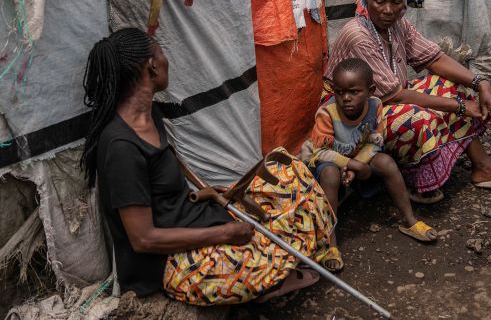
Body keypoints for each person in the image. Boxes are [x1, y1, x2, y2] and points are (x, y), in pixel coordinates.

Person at [81, 28, 335, 305]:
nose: (167, 60)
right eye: (162, 54)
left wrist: (204, 193)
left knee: (291, 173)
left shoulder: (150, 115)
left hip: (195, 219)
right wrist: (224, 233)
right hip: (167, 261)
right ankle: (272, 280)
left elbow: (161, 192)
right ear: (151, 66)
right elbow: (144, 239)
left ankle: (283, 265)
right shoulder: (121, 147)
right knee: (252, 254)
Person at [325, 0, 491, 204]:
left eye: (396, 2)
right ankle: (418, 180)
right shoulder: (358, 35)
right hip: (350, 120)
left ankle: (483, 167)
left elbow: (434, 58)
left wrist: (482, 84)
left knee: (449, 86)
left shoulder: (398, 26)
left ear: (405, 4)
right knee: (421, 118)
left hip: (383, 104)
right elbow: (394, 96)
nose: (387, 10)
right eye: (379, 1)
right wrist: (459, 106)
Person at [301, 58, 437, 271]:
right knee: (330, 175)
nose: (346, 98)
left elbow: (376, 141)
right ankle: (329, 244)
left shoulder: (375, 105)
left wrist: (359, 165)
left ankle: (409, 221)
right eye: (339, 92)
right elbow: (320, 152)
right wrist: (352, 165)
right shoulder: (327, 113)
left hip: (358, 159)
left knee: (386, 162)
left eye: (354, 92)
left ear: (370, 90)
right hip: (328, 163)